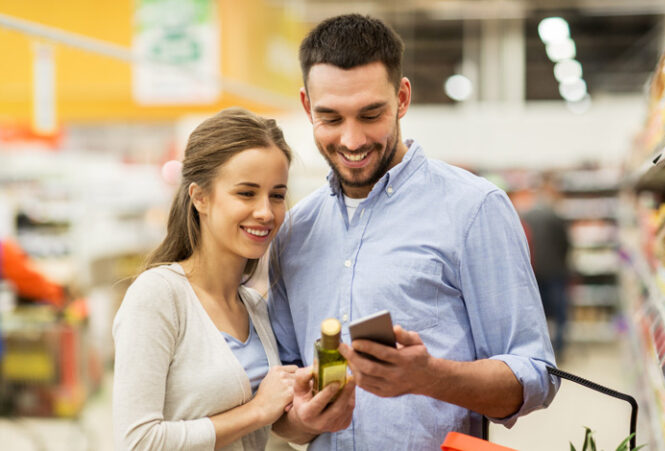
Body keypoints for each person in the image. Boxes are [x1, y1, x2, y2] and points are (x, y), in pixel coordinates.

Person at [267, 14, 559, 450]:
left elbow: (536, 376)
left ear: (402, 98)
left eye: (371, 114)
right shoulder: (294, 231)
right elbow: (285, 406)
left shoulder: (474, 209)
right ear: (307, 107)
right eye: (330, 118)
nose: (351, 140)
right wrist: (302, 421)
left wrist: (431, 376)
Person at [113, 108, 304, 450]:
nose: (265, 212)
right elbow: (138, 441)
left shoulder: (257, 310)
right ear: (200, 197)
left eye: (276, 195)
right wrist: (257, 411)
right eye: (246, 193)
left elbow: (275, 427)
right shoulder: (158, 295)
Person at [520, 172, 571, 358]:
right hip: (555, 271)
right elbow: (565, 244)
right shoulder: (556, 216)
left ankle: (539, 350)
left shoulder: (525, 216)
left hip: (533, 272)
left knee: (536, 313)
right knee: (559, 314)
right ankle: (559, 348)